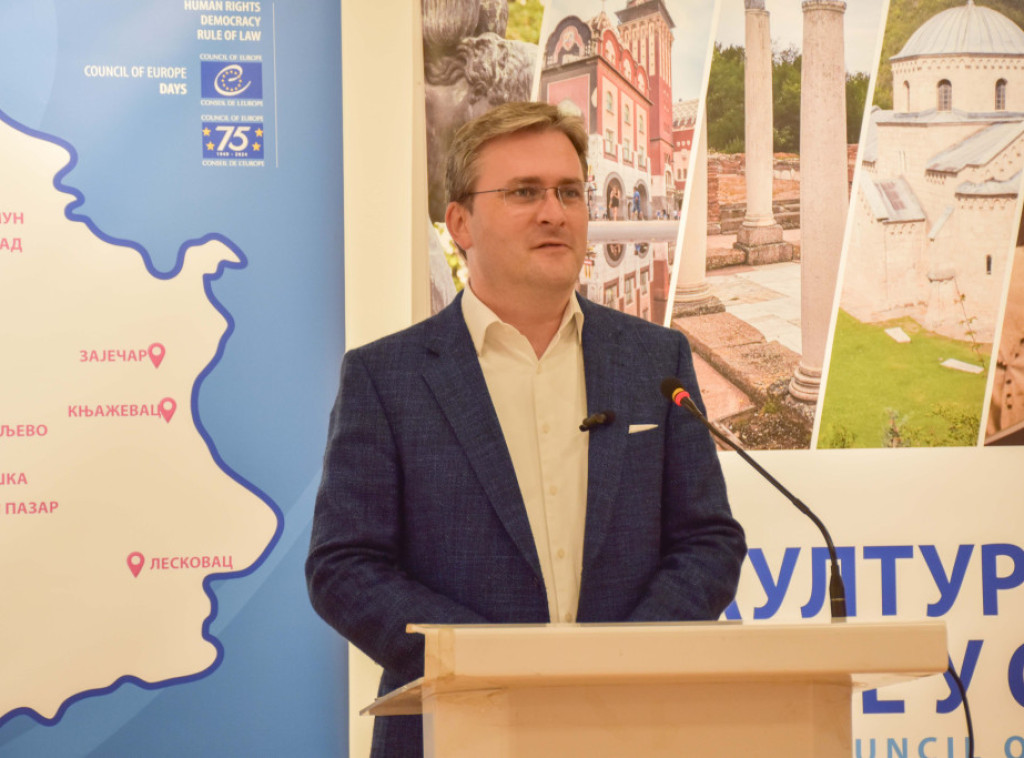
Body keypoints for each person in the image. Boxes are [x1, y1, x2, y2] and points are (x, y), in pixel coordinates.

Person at [306, 101, 746, 758]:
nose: (554, 212)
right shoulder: (387, 376)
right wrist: (483, 662)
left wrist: (624, 660)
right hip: (454, 728)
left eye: (569, 192)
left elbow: (708, 540)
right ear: (460, 223)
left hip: (628, 727)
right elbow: (343, 566)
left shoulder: (654, 360)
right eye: (524, 192)